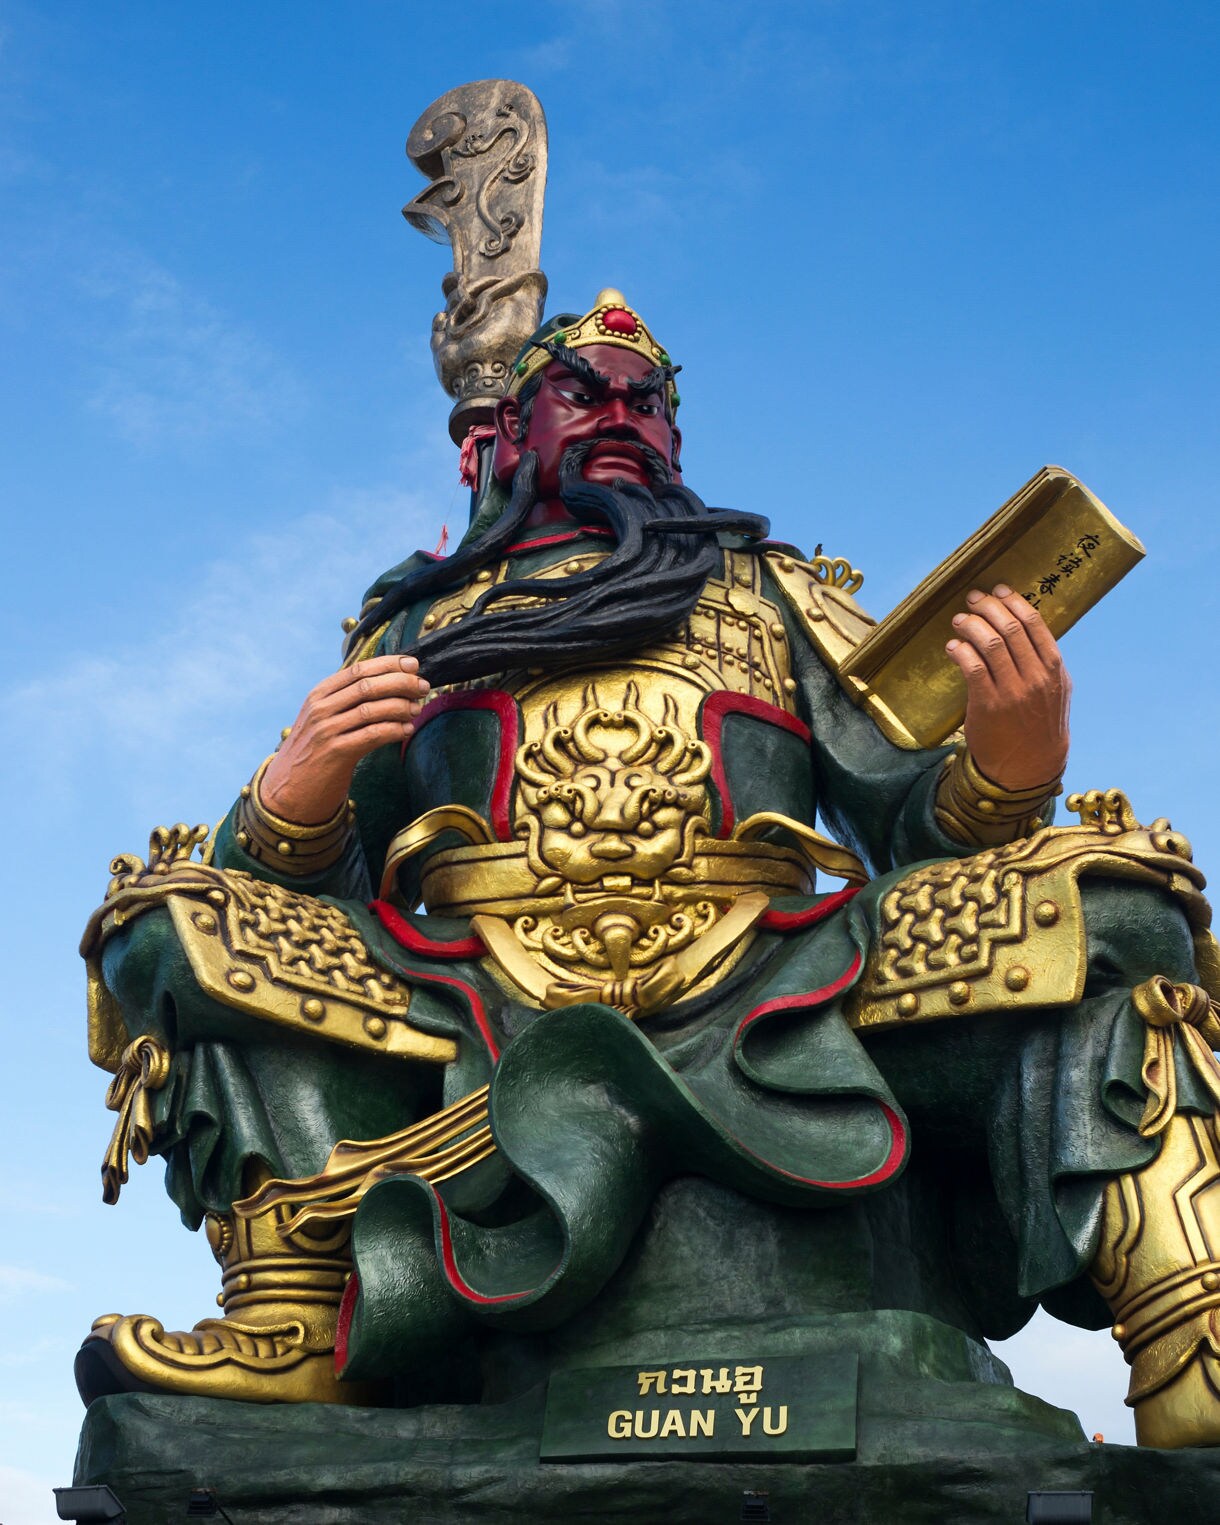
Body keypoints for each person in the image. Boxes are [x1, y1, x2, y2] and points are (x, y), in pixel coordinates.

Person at [78, 291, 1220, 1446]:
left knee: (1114, 901)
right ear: (511, 431)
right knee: (169, 925)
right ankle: (302, 1320)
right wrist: (291, 799)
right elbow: (309, 888)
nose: (622, 414)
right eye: (584, 393)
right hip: (470, 992)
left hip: (777, 978)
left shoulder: (771, 594)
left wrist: (1010, 761)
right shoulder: (418, 628)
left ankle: (1186, 1320)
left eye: (648, 400)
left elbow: (913, 820)